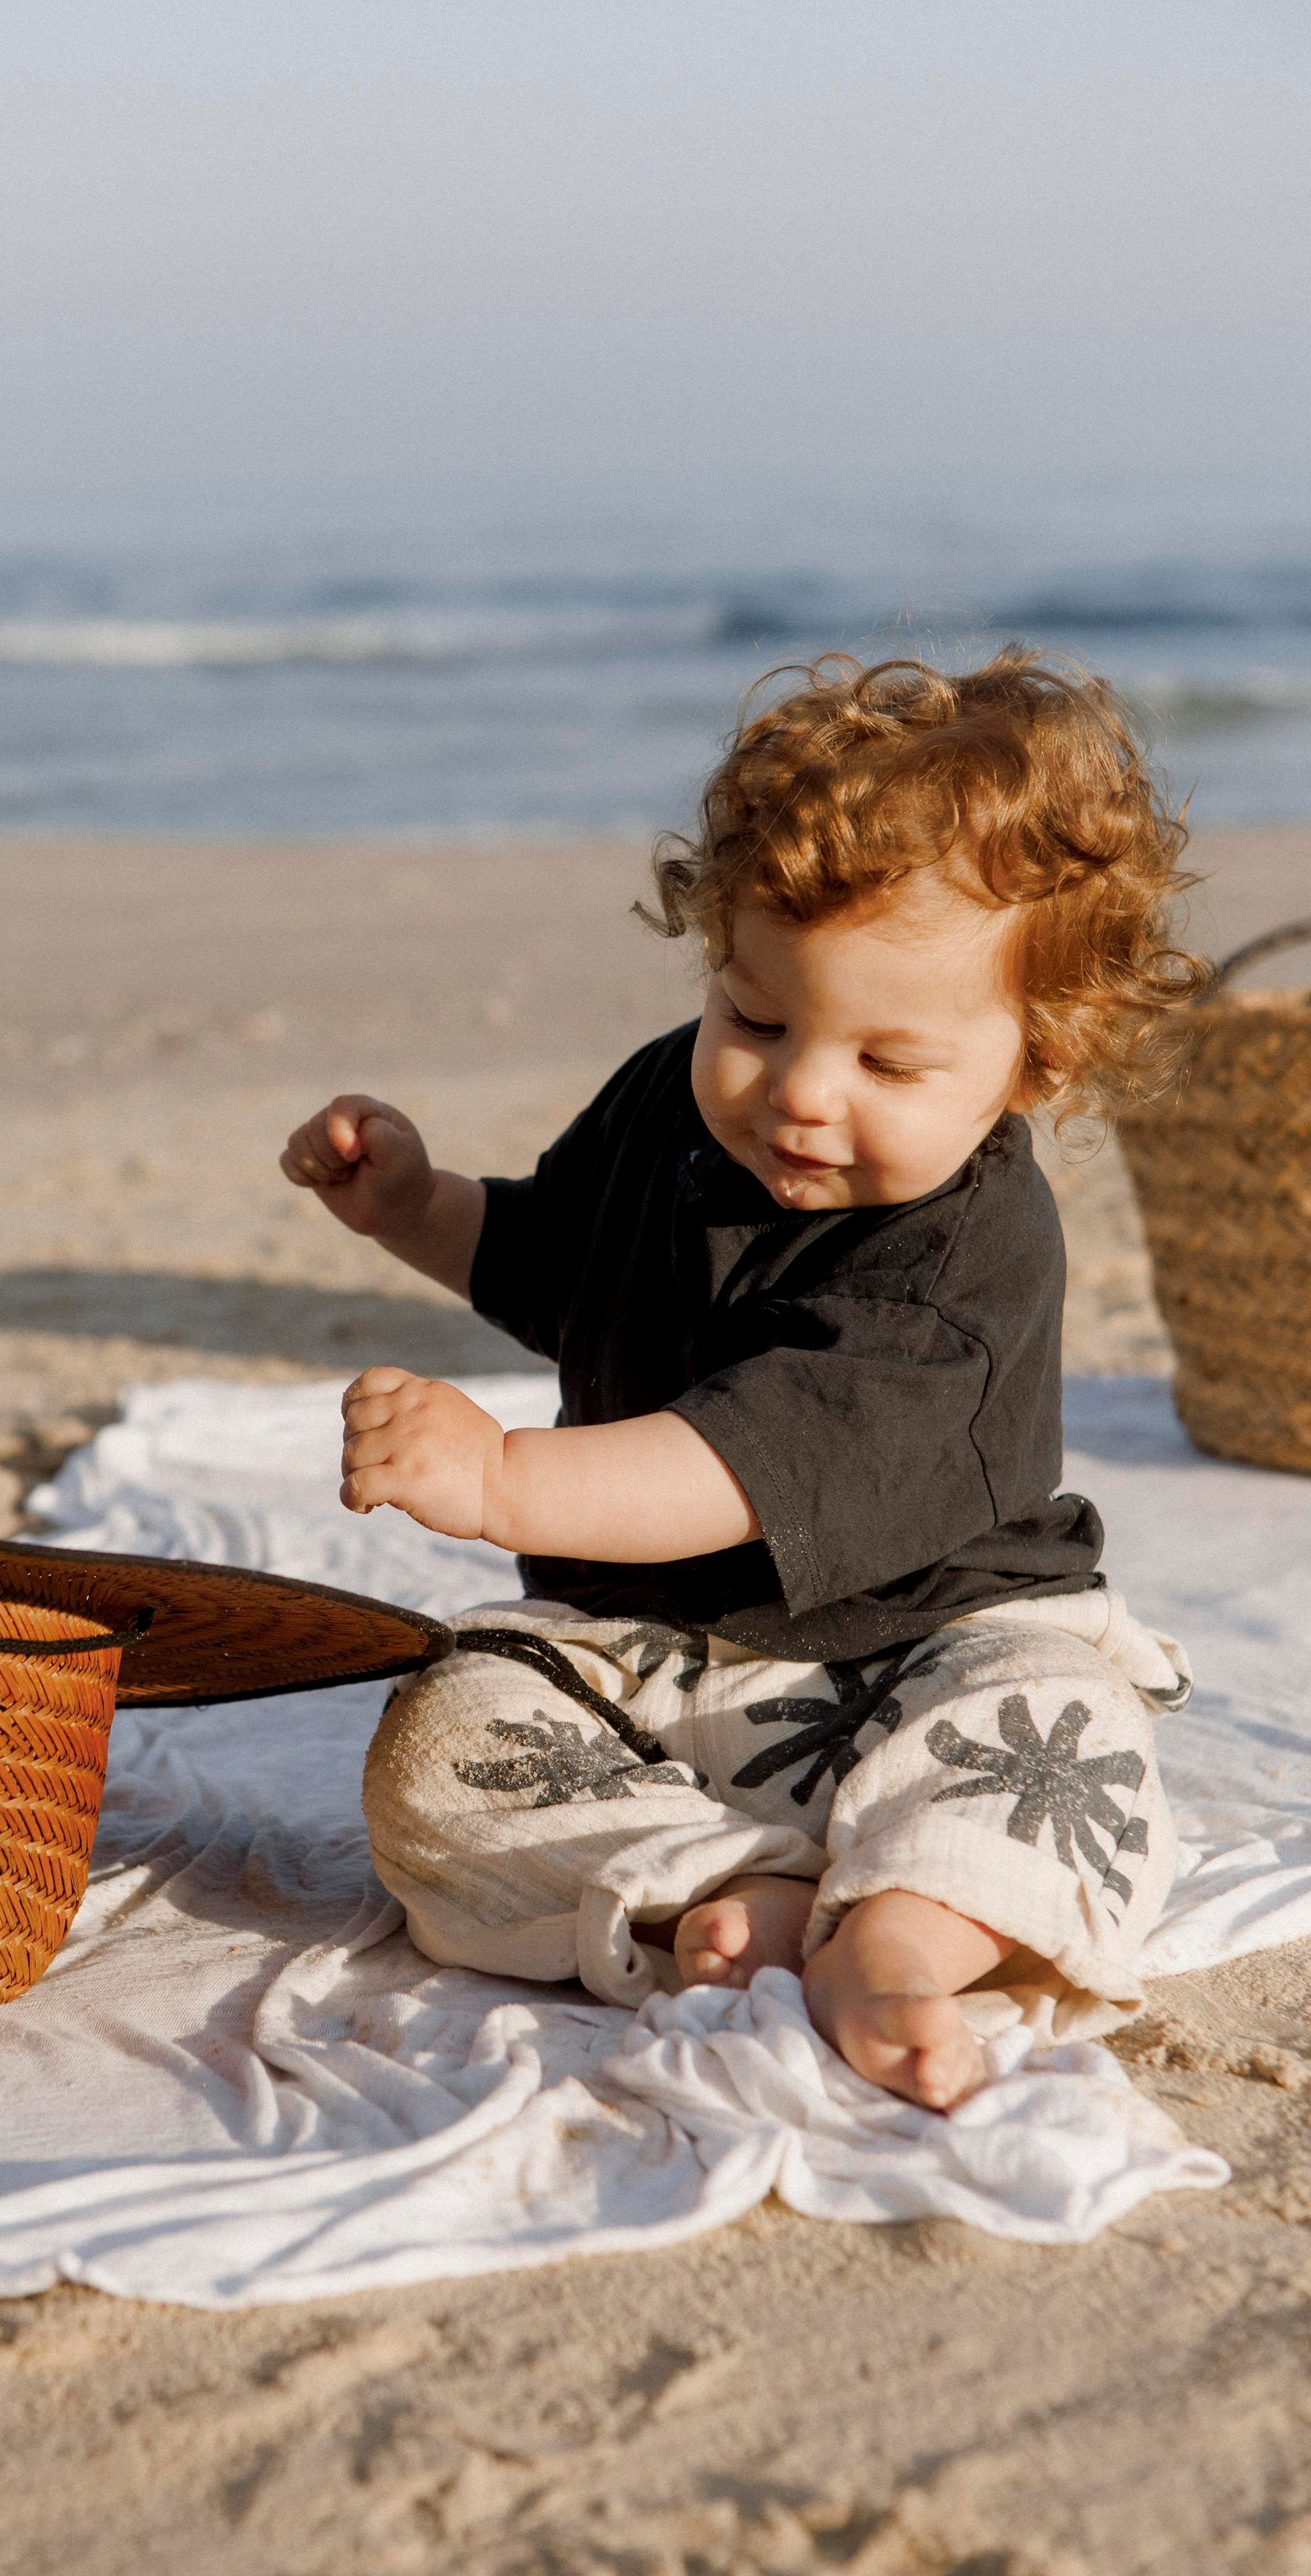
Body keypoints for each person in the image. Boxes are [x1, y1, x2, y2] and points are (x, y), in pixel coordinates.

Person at [280, 650, 1207, 2111]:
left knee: (1056, 1746)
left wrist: (500, 1479)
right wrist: (418, 1207)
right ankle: (739, 1891)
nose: (798, 1091)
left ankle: (907, 1928)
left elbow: (727, 1466)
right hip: (647, 1661)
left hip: (918, 1653)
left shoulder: (962, 1267)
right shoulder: (674, 1098)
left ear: (1030, 1063)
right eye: (756, 1019)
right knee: (437, 1746)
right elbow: (559, 1259)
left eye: (886, 1061)